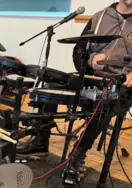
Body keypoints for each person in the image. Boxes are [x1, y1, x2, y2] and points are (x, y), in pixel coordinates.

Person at [18, 0, 132, 173]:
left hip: (121, 83)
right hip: (91, 76)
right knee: (52, 83)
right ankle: (40, 142)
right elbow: (79, 51)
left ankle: (77, 155)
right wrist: (91, 60)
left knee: (106, 102)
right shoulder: (99, 18)